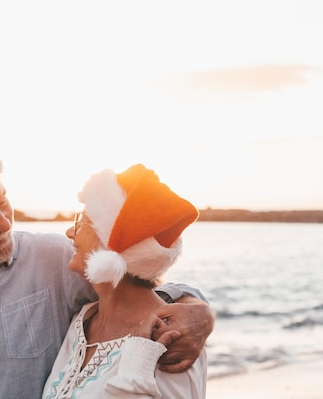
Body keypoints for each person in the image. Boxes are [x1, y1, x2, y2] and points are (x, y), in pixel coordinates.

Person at [0, 135, 214, 399]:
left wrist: (196, 310)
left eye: (3, 203)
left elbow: (131, 277)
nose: (3, 223)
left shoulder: (55, 260)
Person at [42, 164, 206, 398]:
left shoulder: (169, 340)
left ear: (110, 244)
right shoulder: (84, 319)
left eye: (82, 221)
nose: (70, 232)